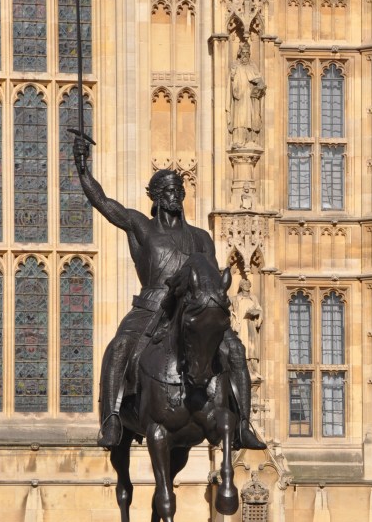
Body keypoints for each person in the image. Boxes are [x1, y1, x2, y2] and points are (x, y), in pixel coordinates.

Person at [72, 136, 266, 451]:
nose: (176, 195)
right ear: (157, 197)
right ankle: (111, 420)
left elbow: (211, 278)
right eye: (169, 191)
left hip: (189, 311)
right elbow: (106, 204)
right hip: (149, 308)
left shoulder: (201, 238)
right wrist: (83, 171)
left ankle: (243, 424)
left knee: (235, 350)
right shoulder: (142, 228)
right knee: (120, 346)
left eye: (179, 190)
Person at [226, 42, 266, 148]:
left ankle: (248, 139)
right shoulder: (236, 66)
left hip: (248, 98)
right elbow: (232, 82)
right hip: (238, 97)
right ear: (240, 54)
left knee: (249, 118)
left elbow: (258, 79)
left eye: (247, 53)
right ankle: (238, 140)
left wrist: (260, 85)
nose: (245, 55)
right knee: (239, 119)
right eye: (243, 53)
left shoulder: (252, 67)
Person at [231, 278, 262, 380]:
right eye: (245, 284)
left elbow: (259, 310)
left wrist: (256, 314)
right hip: (241, 326)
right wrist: (234, 323)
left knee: (251, 349)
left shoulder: (253, 298)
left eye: (248, 284)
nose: (247, 286)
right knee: (242, 346)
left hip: (250, 325)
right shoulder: (235, 299)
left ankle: (253, 370)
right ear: (241, 286)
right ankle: (241, 370)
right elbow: (231, 313)